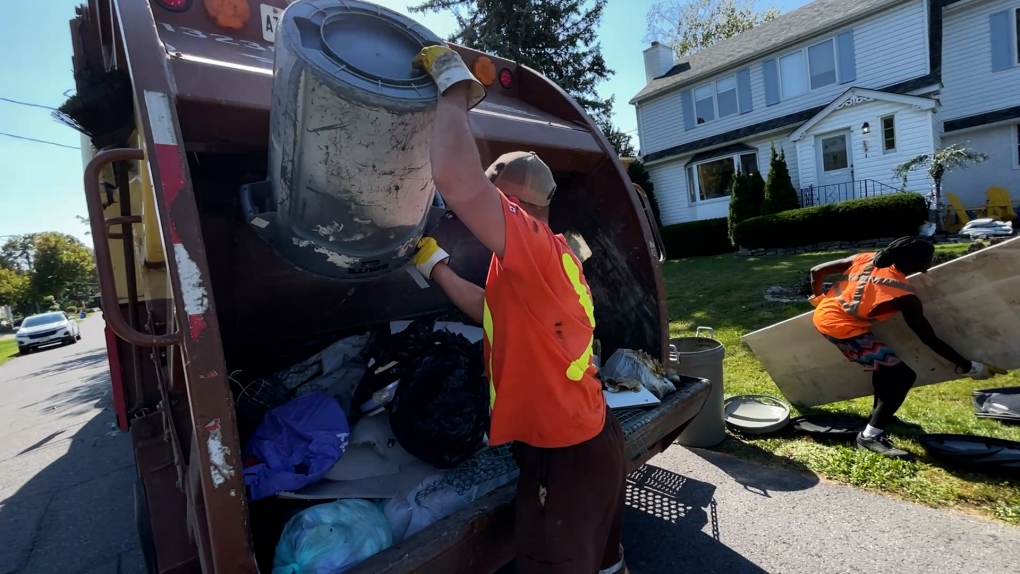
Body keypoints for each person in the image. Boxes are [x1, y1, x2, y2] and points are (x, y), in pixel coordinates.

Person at [408, 46, 627, 573]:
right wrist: (432, 263)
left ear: (515, 205)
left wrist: (454, 88)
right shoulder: (536, 266)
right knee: (603, 560)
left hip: (569, 453)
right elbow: (487, 307)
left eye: (494, 197)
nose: (479, 212)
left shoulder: (533, 249)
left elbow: (458, 181)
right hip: (579, 438)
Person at [809, 236, 1003, 459]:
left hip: (830, 317)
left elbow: (817, 271)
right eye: (929, 259)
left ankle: (879, 416)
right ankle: (869, 437)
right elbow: (928, 338)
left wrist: (819, 299)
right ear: (913, 264)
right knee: (903, 376)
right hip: (840, 328)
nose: (931, 262)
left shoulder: (866, 258)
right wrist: (969, 366)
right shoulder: (903, 294)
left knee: (885, 369)